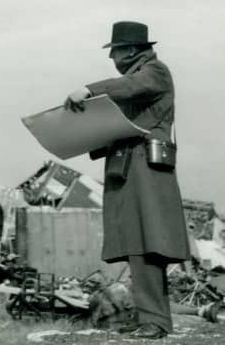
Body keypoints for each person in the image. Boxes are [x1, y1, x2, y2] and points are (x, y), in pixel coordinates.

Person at [64, 21, 190, 340]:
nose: (113, 58)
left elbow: (131, 89)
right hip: (130, 166)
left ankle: (156, 321)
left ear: (132, 49)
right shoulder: (138, 78)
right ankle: (148, 316)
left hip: (145, 168)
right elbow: (122, 122)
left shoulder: (155, 72)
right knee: (138, 245)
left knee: (149, 244)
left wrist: (89, 89)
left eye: (116, 50)